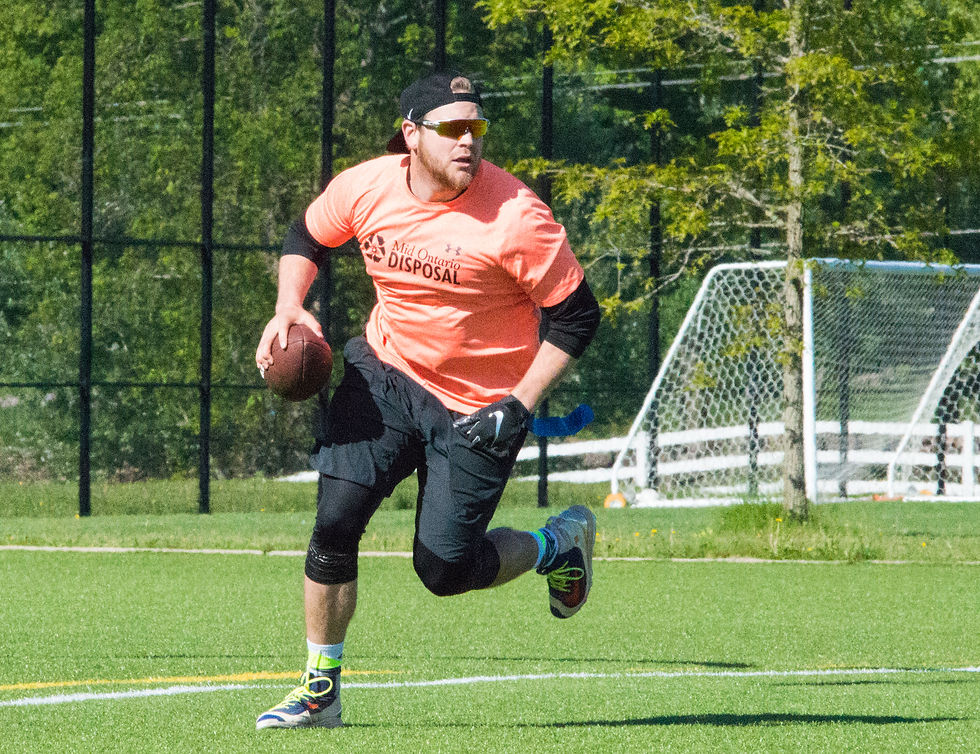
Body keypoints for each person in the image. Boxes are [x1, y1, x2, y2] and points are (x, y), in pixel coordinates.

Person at [254, 70, 601, 730]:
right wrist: (288, 308)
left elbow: (578, 316)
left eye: (477, 128)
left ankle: (558, 546)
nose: (468, 141)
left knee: (444, 570)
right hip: (386, 373)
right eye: (452, 129)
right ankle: (320, 691)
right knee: (334, 525)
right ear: (411, 136)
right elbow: (307, 237)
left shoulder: (517, 218)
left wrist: (521, 402)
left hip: (479, 403)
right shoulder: (367, 186)